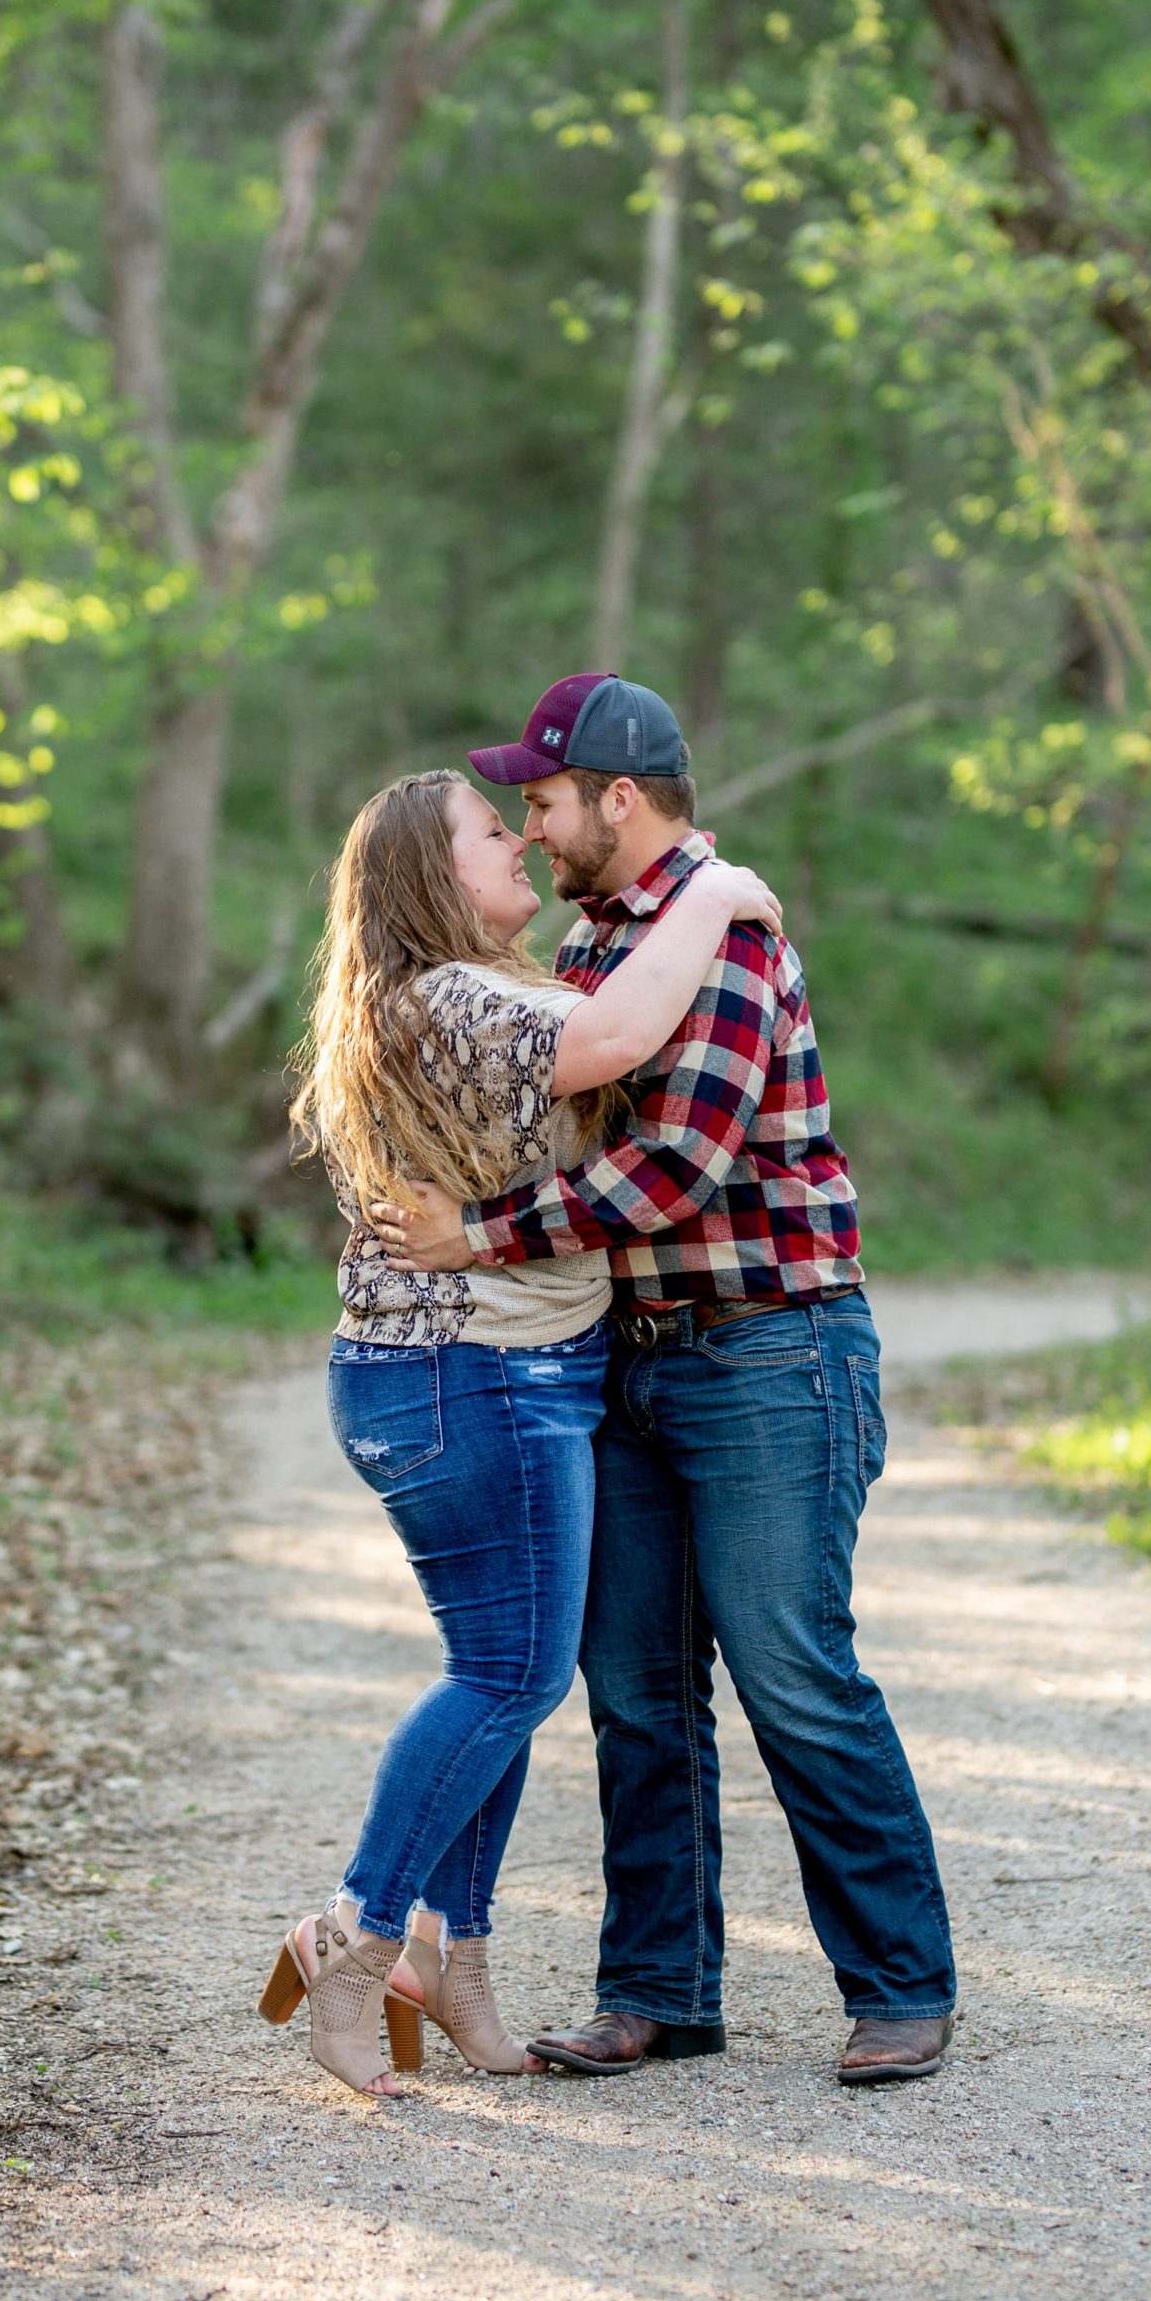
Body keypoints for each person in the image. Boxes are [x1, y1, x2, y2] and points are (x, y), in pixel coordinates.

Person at [371, 676, 956, 2086]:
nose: (531, 822)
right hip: (622, 1364)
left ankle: (900, 1985)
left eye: (545, 799)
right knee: (631, 1688)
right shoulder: (597, 944)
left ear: (616, 798)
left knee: (789, 1668)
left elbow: (673, 1167)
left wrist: (479, 1239)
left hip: (770, 1350)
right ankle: (658, 1991)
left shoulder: (725, 932)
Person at [263, 765, 782, 2097]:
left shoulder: (457, 989)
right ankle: (356, 1934)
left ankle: (455, 1961)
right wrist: (716, 888)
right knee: (506, 1679)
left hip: (467, 1371)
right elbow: (609, 1046)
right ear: (435, 874)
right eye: (489, 833)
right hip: (470, 1373)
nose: (515, 844)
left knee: (501, 1679)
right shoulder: (454, 996)